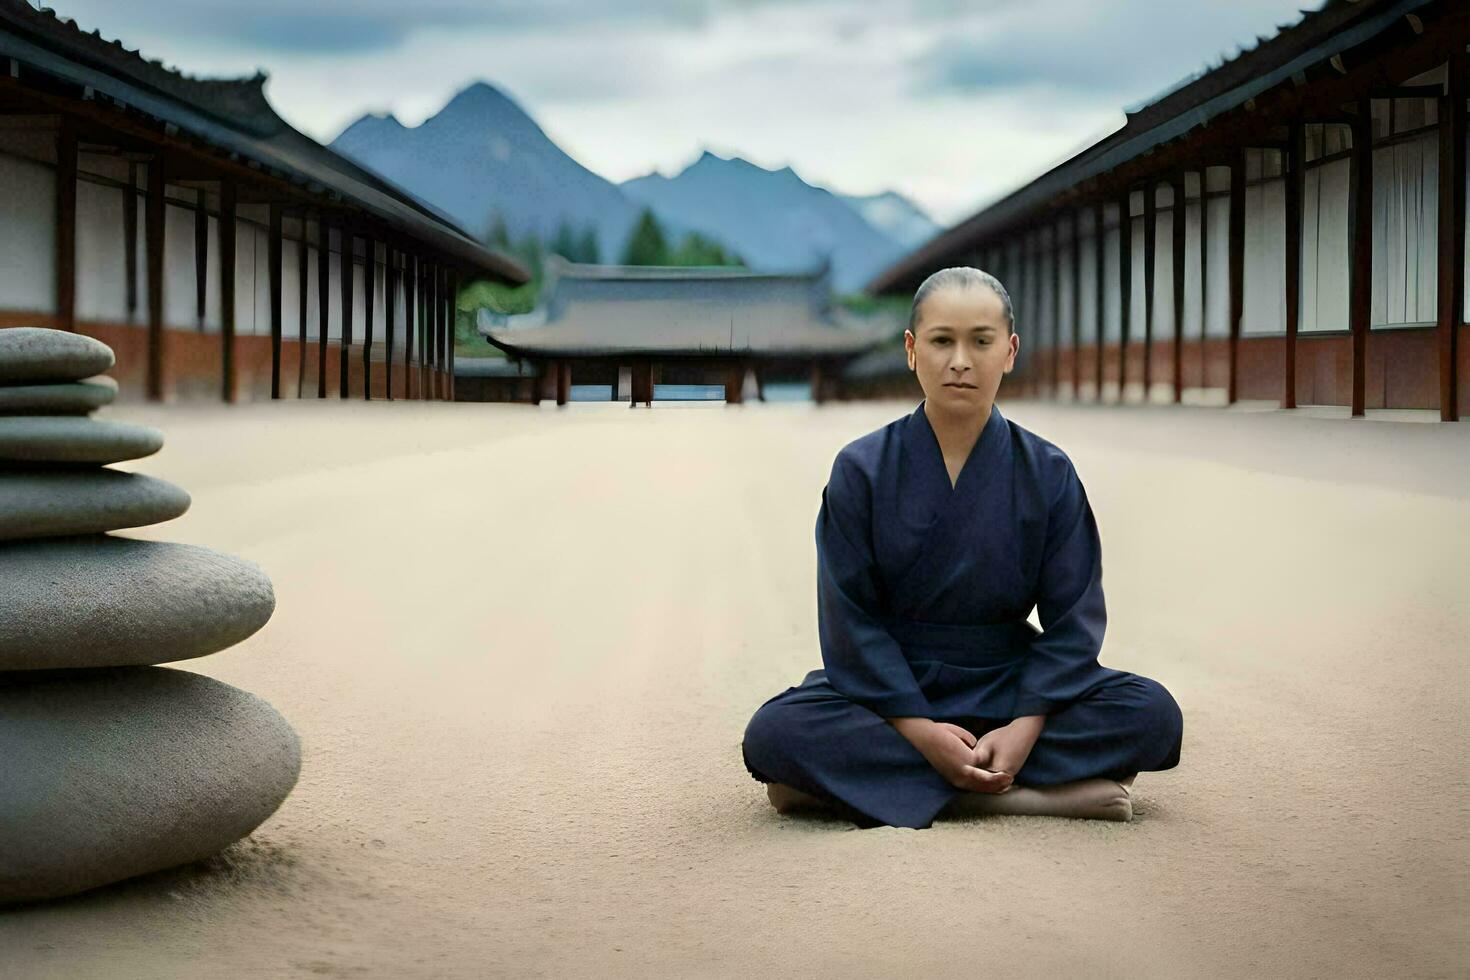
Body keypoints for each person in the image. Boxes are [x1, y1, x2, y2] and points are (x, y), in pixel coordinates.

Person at [740, 267, 1183, 829]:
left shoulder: (1047, 472)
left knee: (1152, 714)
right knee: (774, 733)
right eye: (942, 341)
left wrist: (1026, 724)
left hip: (1010, 681)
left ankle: (865, 790)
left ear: (1010, 351)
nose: (960, 361)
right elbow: (850, 621)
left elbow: (1074, 620)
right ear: (911, 349)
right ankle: (1014, 795)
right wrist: (917, 729)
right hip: (893, 683)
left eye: (981, 341)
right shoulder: (861, 470)